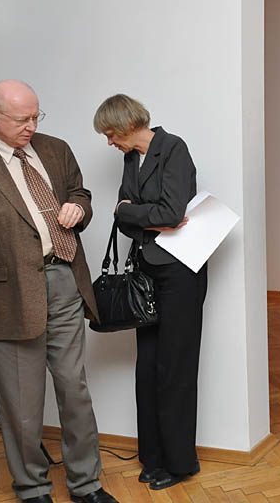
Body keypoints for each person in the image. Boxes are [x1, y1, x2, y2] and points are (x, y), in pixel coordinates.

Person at [0, 80, 117, 503]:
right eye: (22, 119)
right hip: (10, 293)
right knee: (21, 401)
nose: (31, 126)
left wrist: (79, 207)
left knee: (74, 390)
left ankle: (86, 484)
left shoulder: (56, 149)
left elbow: (80, 193)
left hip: (65, 280)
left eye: (36, 116)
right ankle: (32, 487)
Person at [92, 94, 205, 491]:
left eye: (111, 134)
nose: (110, 142)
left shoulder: (173, 148)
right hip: (146, 270)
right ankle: (152, 456)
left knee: (175, 368)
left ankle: (179, 462)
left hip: (180, 272)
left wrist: (131, 211)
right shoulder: (131, 159)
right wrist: (136, 215)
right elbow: (124, 218)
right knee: (149, 367)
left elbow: (171, 213)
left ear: (127, 124)